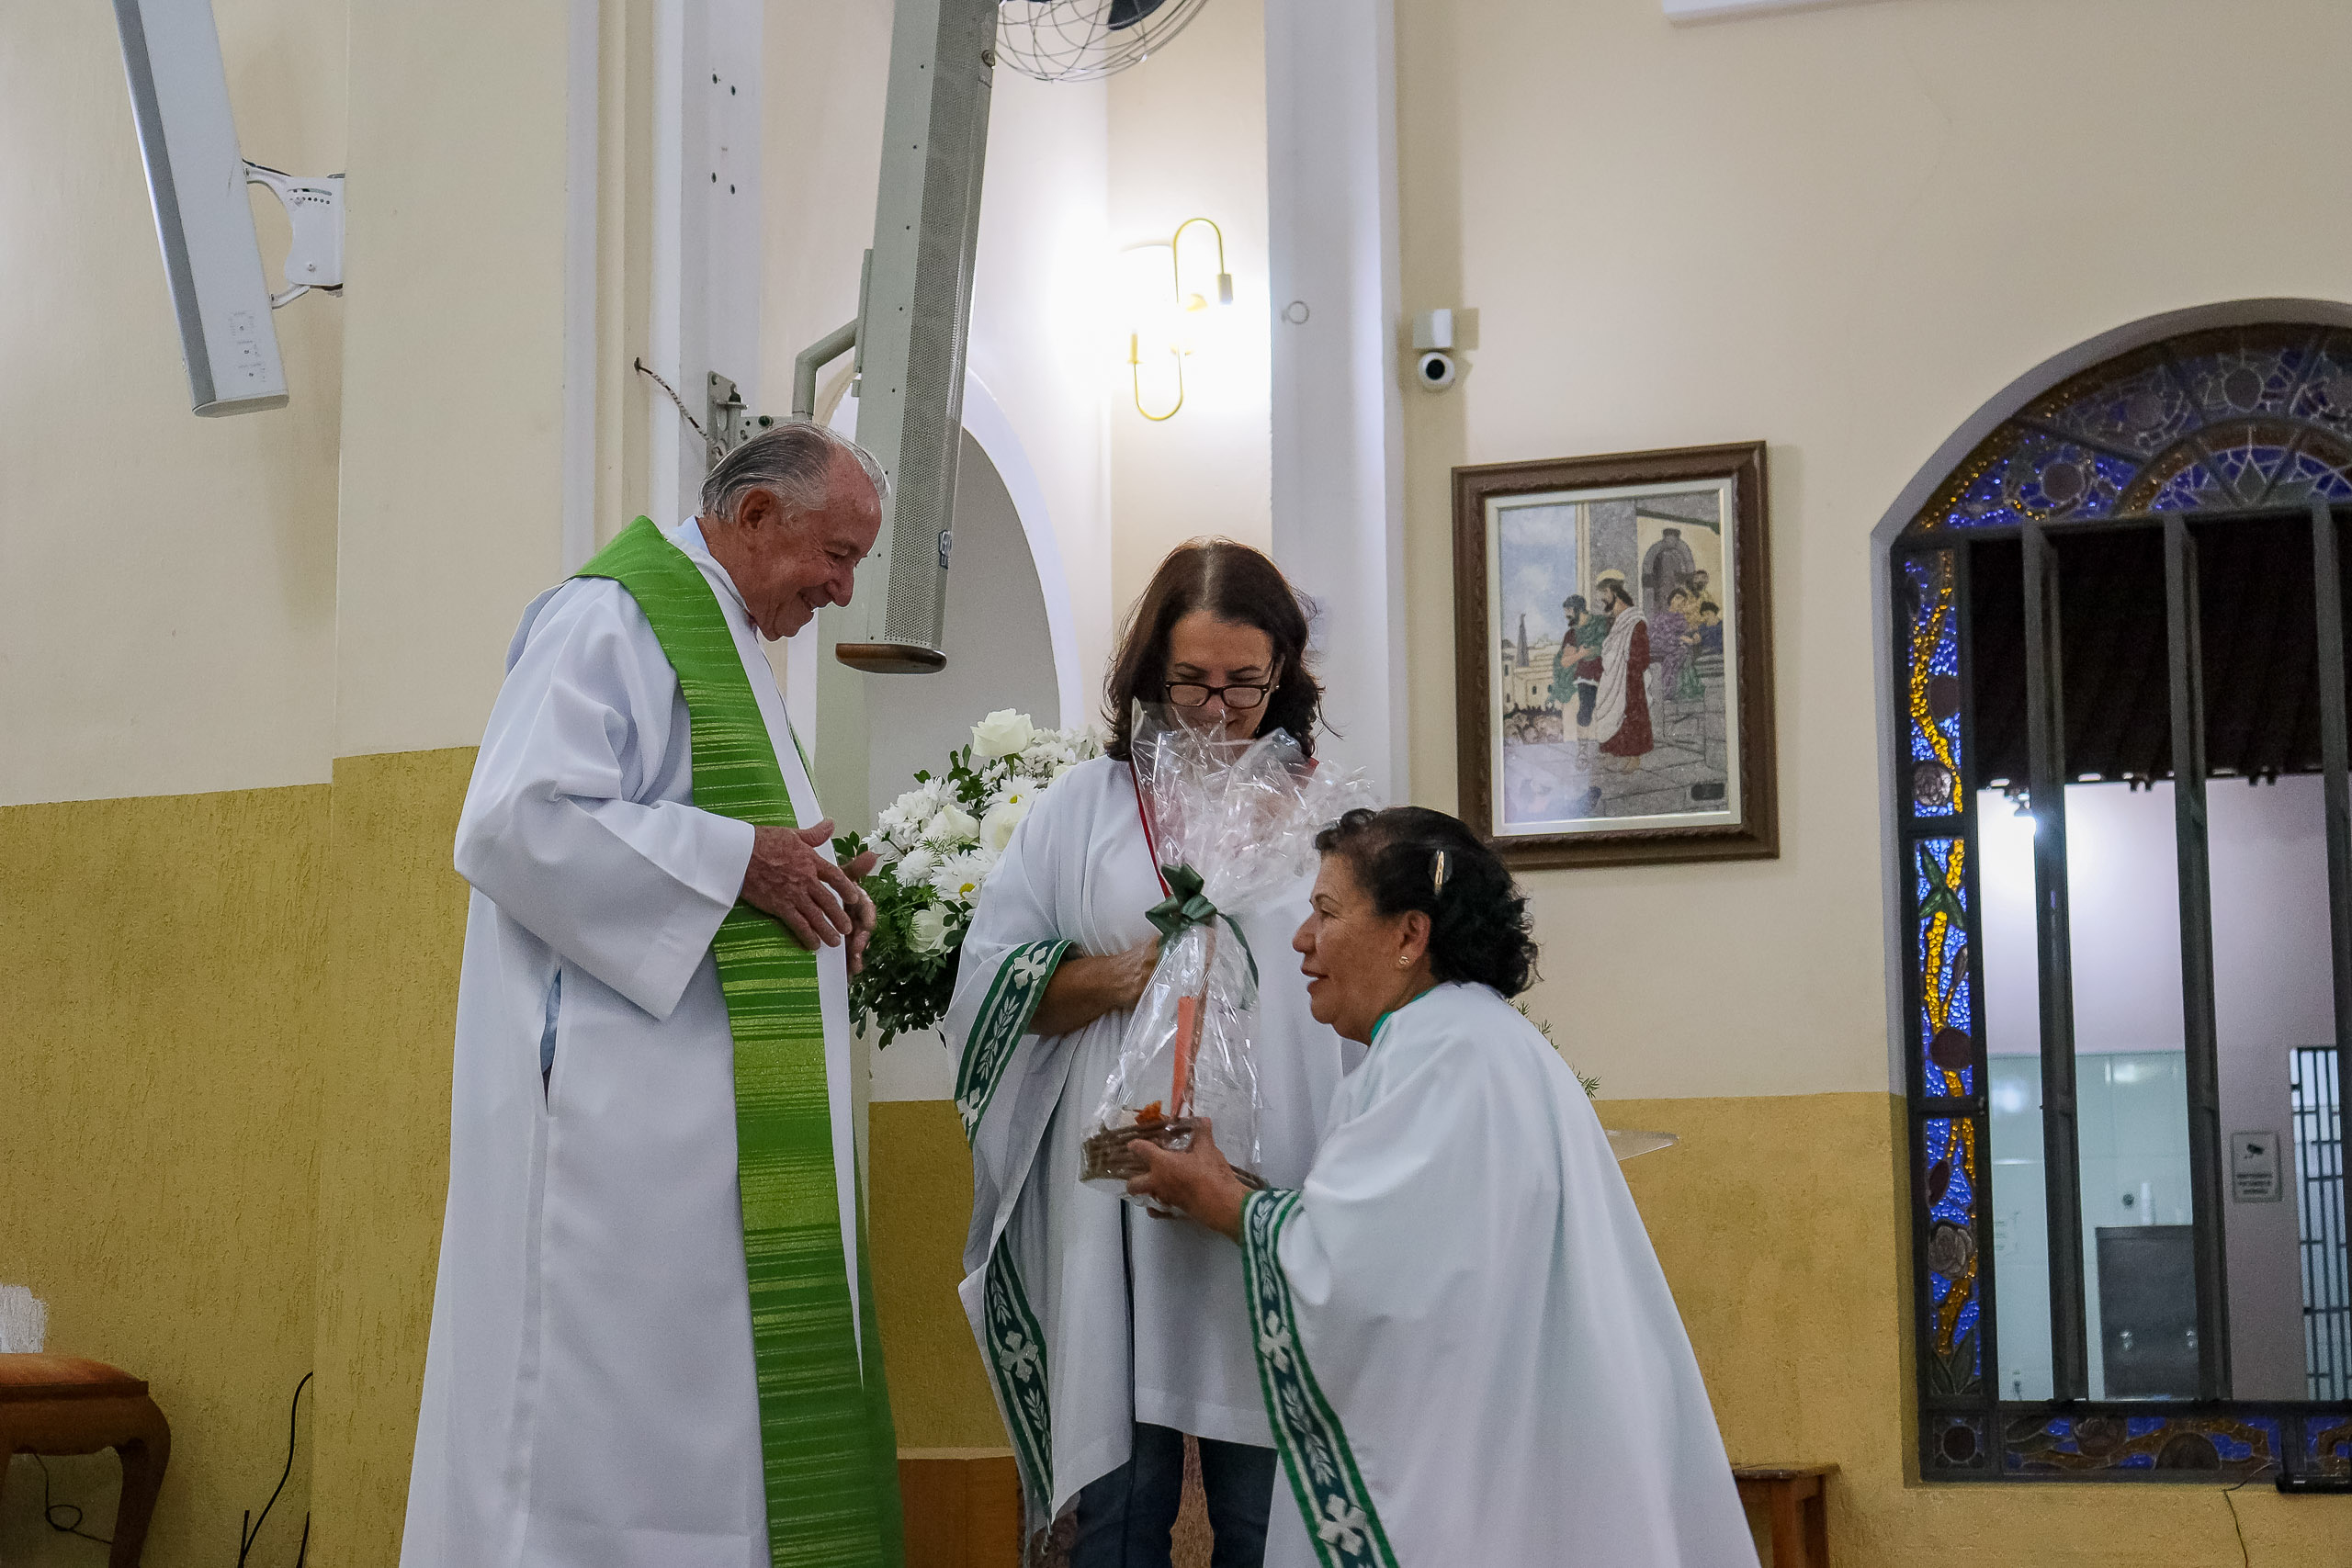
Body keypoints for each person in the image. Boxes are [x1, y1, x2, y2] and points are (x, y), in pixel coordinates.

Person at [402, 423, 905, 1568]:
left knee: (705, 1428)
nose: (841, 590)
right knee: (600, 1423)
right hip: (615, 1140)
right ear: (756, 515)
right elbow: (516, 824)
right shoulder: (612, 616)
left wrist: (817, 892)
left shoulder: (726, 642)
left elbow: (732, 855)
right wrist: (742, 862)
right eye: (836, 555)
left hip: (701, 1141)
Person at [1125, 807, 1758, 1568]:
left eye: (1326, 912)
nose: (1301, 938)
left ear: (1408, 935)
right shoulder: (1473, 1038)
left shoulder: (1436, 1056)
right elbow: (1405, 1252)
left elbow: (1363, 1278)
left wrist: (1220, 1200)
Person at [946, 540, 1356, 1568]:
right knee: (1118, 1516)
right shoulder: (1084, 808)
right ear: (1147, 672)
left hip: (1274, 1184)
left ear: (1284, 672)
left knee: (1268, 1517)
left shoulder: (1332, 818)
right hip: (1116, 1191)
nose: (1216, 712)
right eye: (1190, 682)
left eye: (1243, 684)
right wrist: (1115, 976)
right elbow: (986, 983)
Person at [1593, 572, 1654, 771]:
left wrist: (1629, 670)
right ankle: (1613, 752)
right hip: (1613, 676)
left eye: (1604, 592)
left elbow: (1641, 656)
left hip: (1631, 678)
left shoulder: (1635, 621)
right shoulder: (1615, 620)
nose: (1602, 598)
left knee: (1632, 713)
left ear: (1614, 592)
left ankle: (1634, 757)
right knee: (1610, 713)